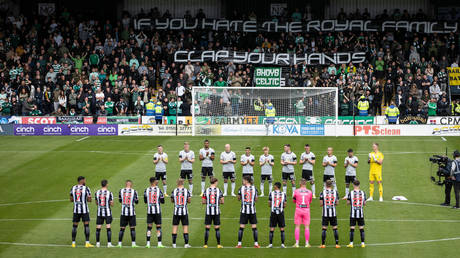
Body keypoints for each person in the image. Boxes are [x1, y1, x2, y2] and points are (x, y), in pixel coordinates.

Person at [236, 176, 259, 248]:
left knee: (241, 227)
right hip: (252, 210)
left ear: (246, 181)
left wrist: (242, 198)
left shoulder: (241, 188)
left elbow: (238, 198)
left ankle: (239, 244)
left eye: (243, 180)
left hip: (244, 211)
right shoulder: (254, 188)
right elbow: (256, 199)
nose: (243, 181)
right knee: (254, 227)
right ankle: (256, 244)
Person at [70, 176, 93, 248]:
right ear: (82, 180)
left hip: (76, 210)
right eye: (84, 180)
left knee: (74, 226)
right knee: (86, 225)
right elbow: (89, 200)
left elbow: (71, 199)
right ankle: (87, 243)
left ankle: (73, 243)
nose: (85, 181)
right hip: (84, 210)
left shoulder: (73, 188)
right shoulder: (86, 188)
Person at [202, 177, 224, 248]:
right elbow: (222, 201)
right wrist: (218, 202)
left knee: (207, 228)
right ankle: (218, 244)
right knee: (217, 228)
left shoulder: (206, 190)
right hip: (216, 212)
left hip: (208, 212)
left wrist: (208, 202)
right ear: (216, 182)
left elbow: (203, 201)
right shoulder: (219, 190)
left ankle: (205, 244)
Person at [144, 177, 165, 248]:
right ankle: (159, 244)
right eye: (156, 180)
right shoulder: (159, 190)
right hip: (157, 211)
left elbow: (145, 201)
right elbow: (162, 201)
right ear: (154, 181)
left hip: (149, 211)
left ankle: (148, 244)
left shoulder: (146, 190)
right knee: (158, 227)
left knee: (149, 227)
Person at [171, 179, 192, 248]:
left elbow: (172, 200)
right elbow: (189, 201)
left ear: (177, 183)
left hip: (176, 212)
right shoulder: (186, 191)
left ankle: (174, 244)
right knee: (185, 227)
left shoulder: (174, 191)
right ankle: (186, 244)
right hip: (184, 211)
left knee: (175, 227)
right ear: (183, 183)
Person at [117, 180, 139, 248]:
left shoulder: (121, 191)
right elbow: (137, 201)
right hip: (132, 213)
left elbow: (120, 200)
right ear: (131, 184)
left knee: (122, 229)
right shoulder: (134, 191)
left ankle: (119, 244)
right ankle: (133, 244)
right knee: (132, 228)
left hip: (123, 213)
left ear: (126, 184)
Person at [292, 179, 313, 248]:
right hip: (306, 210)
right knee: (307, 227)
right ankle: (307, 243)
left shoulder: (296, 191)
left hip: (298, 209)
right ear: (305, 184)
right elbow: (310, 201)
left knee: (297, 226)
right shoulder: (310, 192)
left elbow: (293, 201)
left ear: (300, 183)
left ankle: (297, 243)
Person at [319, 180, 340, 248]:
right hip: (333, 213)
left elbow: (321, 204)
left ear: (325, 185)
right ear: (331, 185)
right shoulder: (335, 192)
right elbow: (337, 203)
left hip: (325, 213)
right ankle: (336, 244)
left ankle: (323, 244)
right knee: (335, 228)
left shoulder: (322, 192)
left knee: (324, 228)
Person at [347, 180, 366, 248]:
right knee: (361, 228)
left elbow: (348, 203)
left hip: (353, 214)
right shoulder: (363, 192)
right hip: (360, 213)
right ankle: (363, 243)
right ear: (359, 185)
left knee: (352, 228)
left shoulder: (351, 193)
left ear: (353, 185)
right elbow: (364, 203)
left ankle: (351, 243)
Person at [95, 179, 114, 248]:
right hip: (107, 213)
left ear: (101, 184)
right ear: (106, 184)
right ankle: (109, 244)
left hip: (99, 212)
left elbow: (96, 203)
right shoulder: (109, 193)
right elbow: (112, 204)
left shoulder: (97, 192)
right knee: (108, 227)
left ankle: (97, 243)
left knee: (98, 227)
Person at [268, 182, 287, 248]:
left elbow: (269, 204)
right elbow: (285, 204)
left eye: (274, 185)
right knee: (282, 228)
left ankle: (270, 244)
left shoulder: (271, 193)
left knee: (272, 228)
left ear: (276, 186)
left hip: (273, 212)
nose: (273, 186)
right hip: (281, 212)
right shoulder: (283, 194)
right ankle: (282, 244)